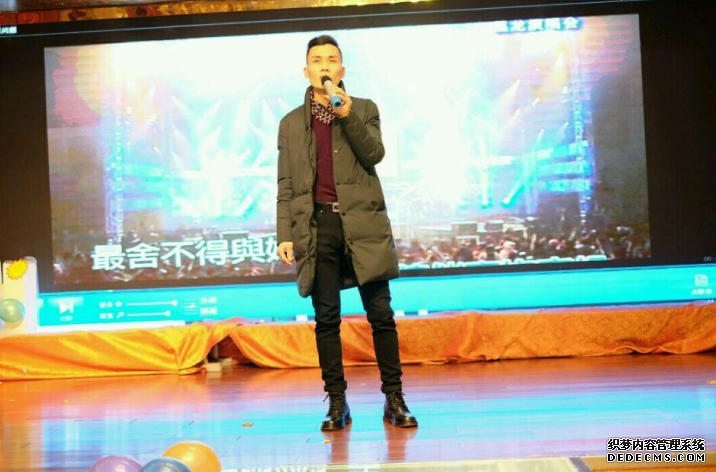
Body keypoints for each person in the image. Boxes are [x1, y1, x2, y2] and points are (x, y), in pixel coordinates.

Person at [275, 35, 417, 431]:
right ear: (306, 70)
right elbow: (286, 183)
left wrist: (346, 112)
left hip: (363, 224)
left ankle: (394, 397)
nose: (324, 65)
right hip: (317, 226)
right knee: (326, 319)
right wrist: (285, 232)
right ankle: (337, 401)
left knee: (381, 314)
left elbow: (374, 154)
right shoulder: (290, 123)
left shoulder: (364, 108)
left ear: (342, 69)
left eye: (331, 60)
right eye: (317, 60)